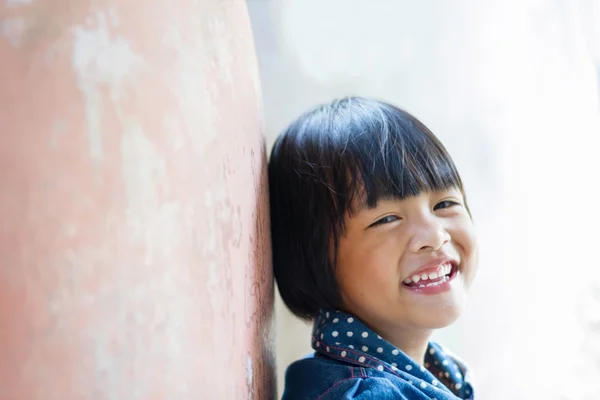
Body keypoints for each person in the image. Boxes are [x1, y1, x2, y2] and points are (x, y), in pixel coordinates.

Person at [268, 97, 479, 399]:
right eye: (387, 219)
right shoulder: (362, 393)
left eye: (444, 204)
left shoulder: (435, 373)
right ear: (314, 259)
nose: (434, 236)